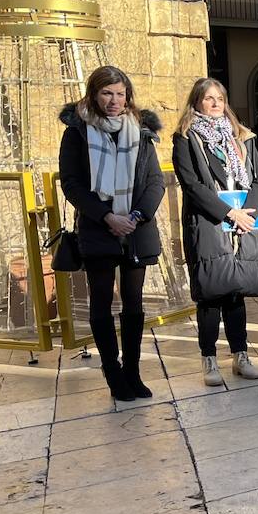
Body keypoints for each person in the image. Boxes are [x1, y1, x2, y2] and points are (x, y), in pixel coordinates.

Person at [58, 66, 165, 401]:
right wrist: (107, 217)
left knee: (134, 303)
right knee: (101, 301)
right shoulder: (77, 132)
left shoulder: (142, 132)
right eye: (107, 93)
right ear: (94, 94)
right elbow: (72, 184)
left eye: (120, 94)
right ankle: (113, 371)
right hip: (98, 227)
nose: (114, 100)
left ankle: (132, 370)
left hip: (136, 228)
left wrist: (135, 216)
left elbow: (155, 181)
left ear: (128, 96)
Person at [170, 77, 258, 387]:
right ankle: (209, 358)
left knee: (236, 290)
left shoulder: (242, 136)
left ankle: (240, 355)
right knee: (211, 291)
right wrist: (229, 213)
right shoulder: (186, 138)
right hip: (209, 221)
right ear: (197, 102)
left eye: (220, 99)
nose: (215, 104)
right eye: (208, 98)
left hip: (243, 222)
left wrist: (247, 214)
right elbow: (192, 184)